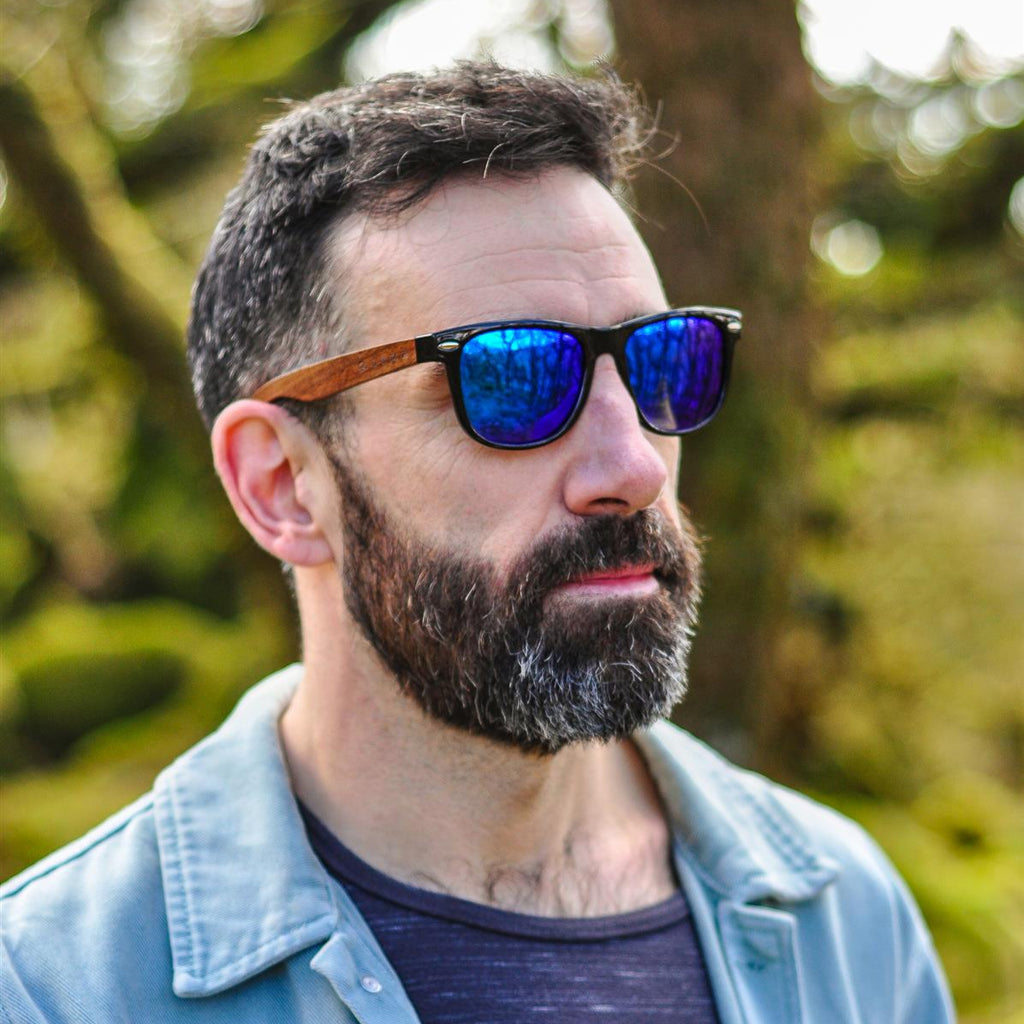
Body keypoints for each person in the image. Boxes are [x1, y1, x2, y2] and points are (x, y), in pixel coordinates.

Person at [0, 62, 954, 1023]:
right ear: (280, 484)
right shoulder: (52, 987)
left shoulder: (846, 918)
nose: (634, 466)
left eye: (666, 359)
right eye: (513, 378)